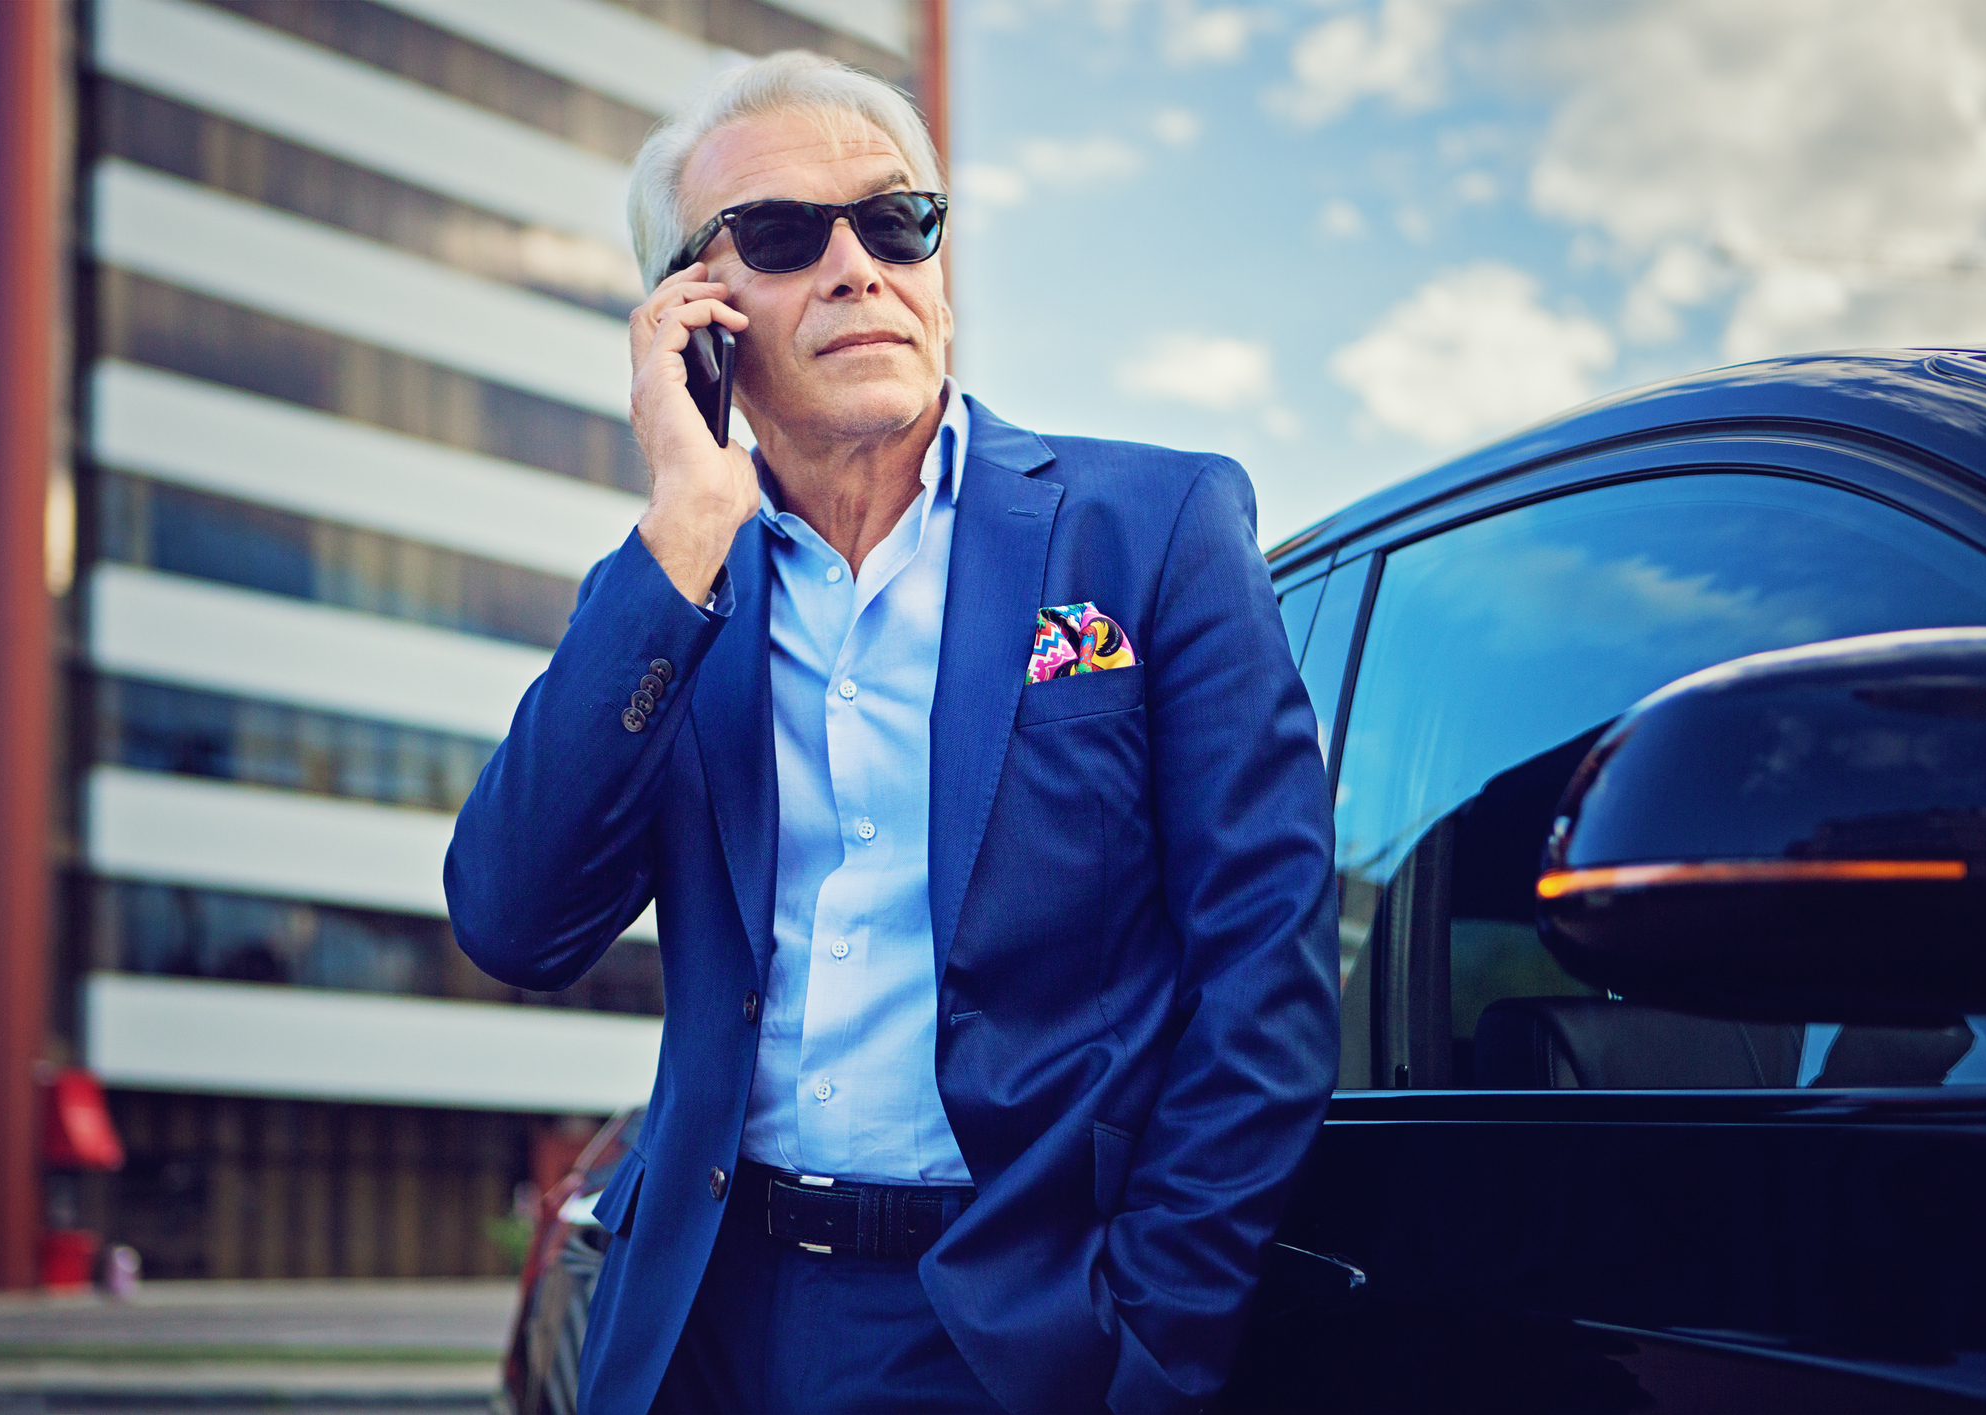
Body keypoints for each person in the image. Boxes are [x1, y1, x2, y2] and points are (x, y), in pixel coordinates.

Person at [445, 50, 1337, 1415]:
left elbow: (1265, 973)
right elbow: (514, 921)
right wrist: (686, 524)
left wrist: (1150, 1352)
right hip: (704, 1331)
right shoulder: (670, 599)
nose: (858, 265)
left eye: (897, 220)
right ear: (697, 318)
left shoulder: (1154, 531)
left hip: (1015, 1335)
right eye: (787, 236)